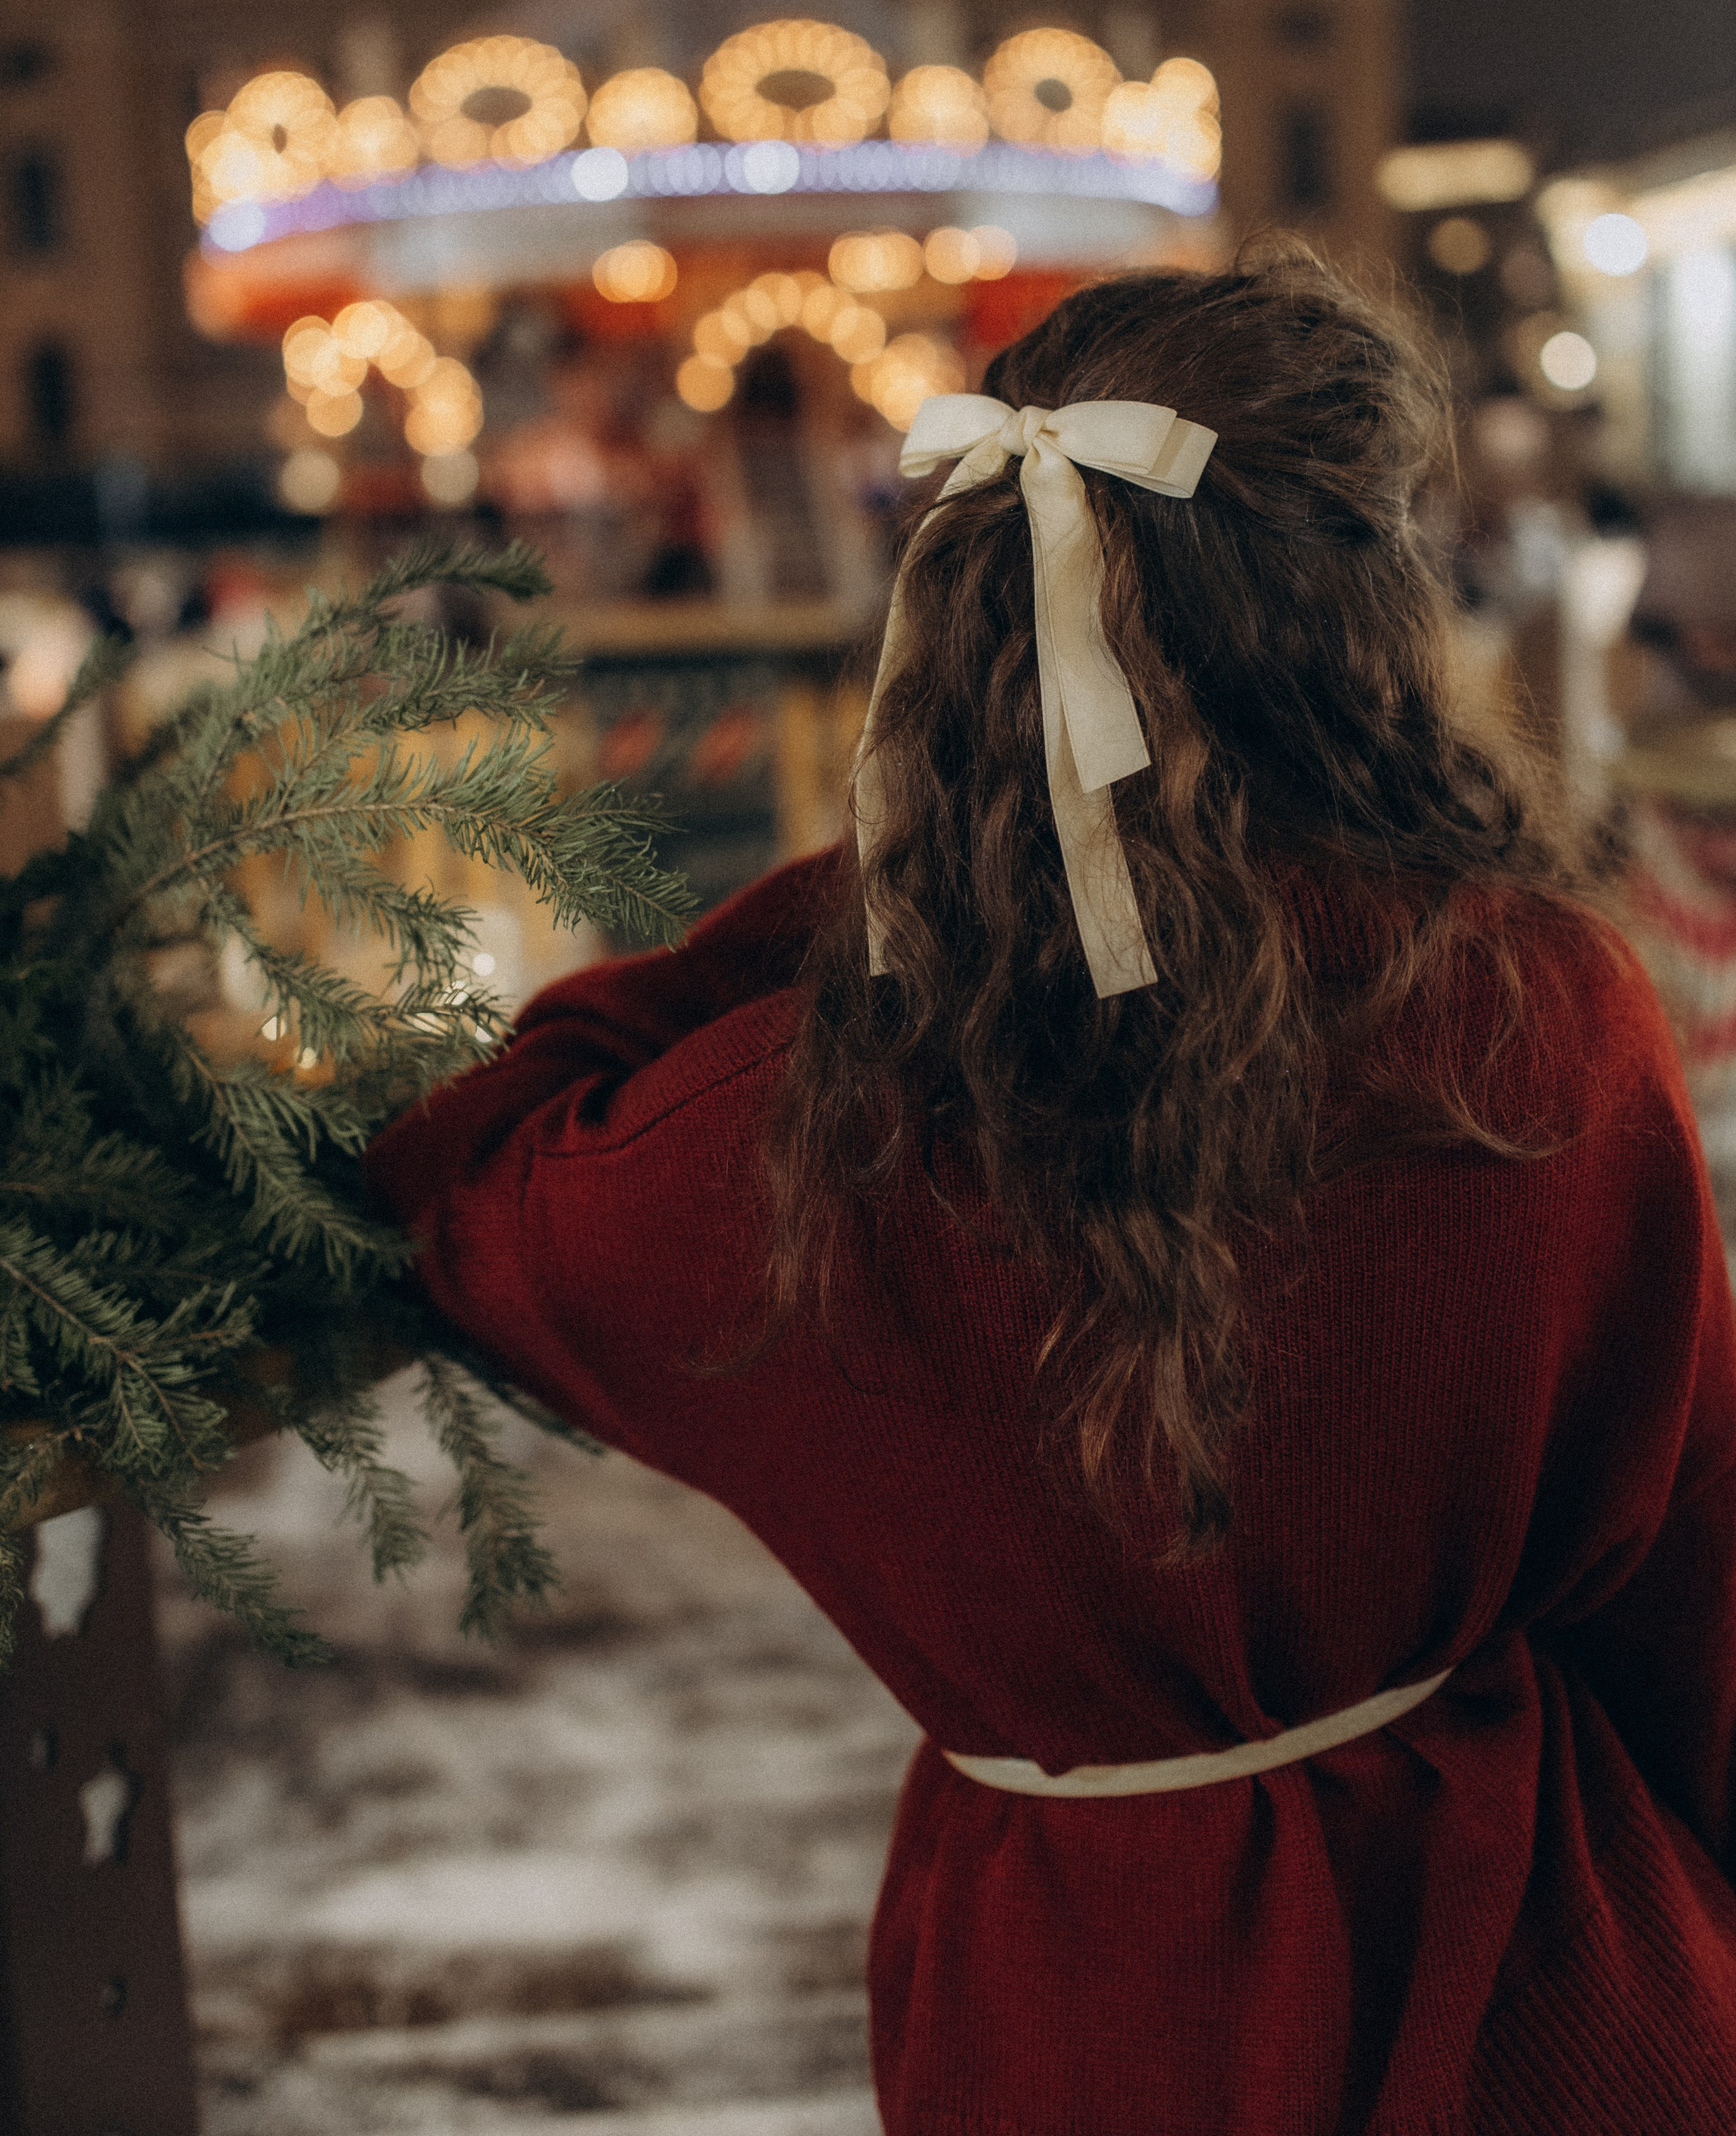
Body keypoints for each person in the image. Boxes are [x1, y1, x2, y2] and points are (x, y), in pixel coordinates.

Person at [368, 255, 1736, 2135]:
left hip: (1060, 2015)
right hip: (1532, 1978)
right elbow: (1689, 1585)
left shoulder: (805, 1131)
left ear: (965, 603)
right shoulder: (1534, 1008)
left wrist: (913, 883)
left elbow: (464, 1168)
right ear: (1366, 605)